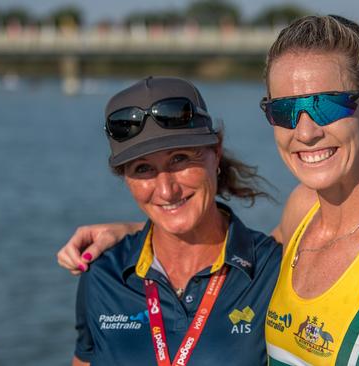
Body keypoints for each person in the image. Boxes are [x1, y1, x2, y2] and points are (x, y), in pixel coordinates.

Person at [59, 16, 359, 365]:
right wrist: (135, 231)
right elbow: (216, 247)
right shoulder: (303, 214)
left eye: (327, 105)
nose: (307, 132)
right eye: (285, 110)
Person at [71, 76, 282, 366]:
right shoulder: (103, 273)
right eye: (143, 168)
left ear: (216, 152)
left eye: (180, 159)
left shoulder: (272, 269)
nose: (167, 190)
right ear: (125, 178)